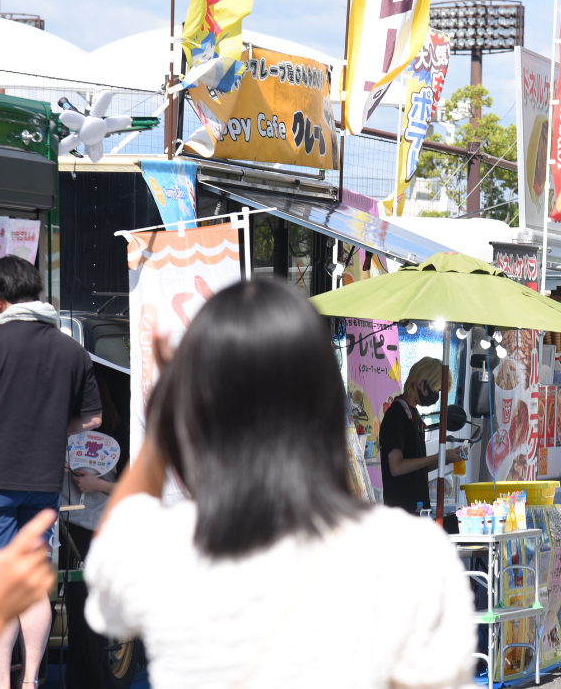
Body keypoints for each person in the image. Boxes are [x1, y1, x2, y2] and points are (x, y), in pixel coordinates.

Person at [83, 279, 475, 689]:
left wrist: (160, 426)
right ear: (326, 395)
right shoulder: (413, 553)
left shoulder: (182, 547)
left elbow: (108, 587)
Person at [0, 255, 102, 688]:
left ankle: (1, 680)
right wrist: (56, 426)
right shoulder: (72, 350)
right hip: (43, 482)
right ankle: (31, 679)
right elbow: (92, 418)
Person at [59, 371, 122, 689]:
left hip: (96, 531)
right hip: (61, 526)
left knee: (87, 616)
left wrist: (97, 484)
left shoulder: (119, 433)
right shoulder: (61, 429)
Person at [379, 356, 463, 513]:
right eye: (436, 391)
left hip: (418, 508)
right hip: (402, 512)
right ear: (420, 384)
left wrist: (446, 458)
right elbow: (396, 467)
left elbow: (418, 469)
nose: (436, 396)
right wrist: (439, 456)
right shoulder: (396, 415)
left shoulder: (414, 415)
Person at [0, 510, 56, 651]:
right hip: (44, 496)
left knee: (2, 583)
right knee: (34, 584)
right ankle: (32, 667)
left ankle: (1, 666)